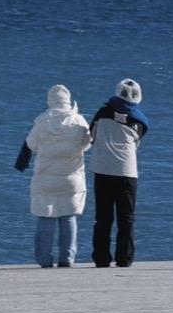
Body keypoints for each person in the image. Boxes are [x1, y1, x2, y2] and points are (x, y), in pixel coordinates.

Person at [13, 84, 93, 268]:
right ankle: (67, 258)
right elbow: (87, 144)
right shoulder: (79, 120)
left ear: (50, 100)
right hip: (72, 178)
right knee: (68, 217)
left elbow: (31, 145)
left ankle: (44, 259)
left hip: (46, 178)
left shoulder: (42, 121)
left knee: (46, 216)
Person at [89, 78, 148, 268]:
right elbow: (137, 141)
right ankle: (125, 258)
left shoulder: (102, 113)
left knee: (103, 217)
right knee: (126, 218)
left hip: (103, 169)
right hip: (127, 172)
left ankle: (101, 258)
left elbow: (92, 135)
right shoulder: (139, 120)